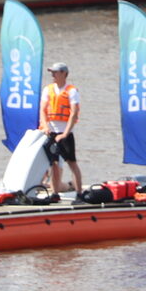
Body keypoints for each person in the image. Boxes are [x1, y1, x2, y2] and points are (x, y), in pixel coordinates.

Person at [39, 61, 83, 193]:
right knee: (54, 164)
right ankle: (55, 193)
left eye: (55, 72)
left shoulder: (71, 91)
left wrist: (65, 134)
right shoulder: (48, 89)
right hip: (51, 132)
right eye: (51, 72)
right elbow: (42, 110)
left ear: (64, 74)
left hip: (65, 132)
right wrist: (45, 127)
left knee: (72, 163)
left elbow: (74, 113)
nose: (52, 75)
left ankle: (79, 193)